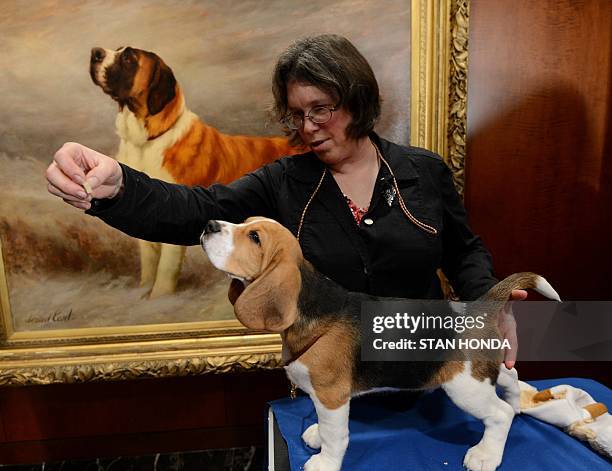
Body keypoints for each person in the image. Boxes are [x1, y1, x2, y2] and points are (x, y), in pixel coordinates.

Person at [46, 34, 525, 367]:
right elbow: (194, 211)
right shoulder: (283, 181)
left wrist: (491, 301)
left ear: (358, 101)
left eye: (321, 109)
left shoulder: (424, 171)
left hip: (425, 367)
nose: (308, 127)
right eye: (297, 115)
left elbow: (464, 252)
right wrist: (119, 189)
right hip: (330, 379)